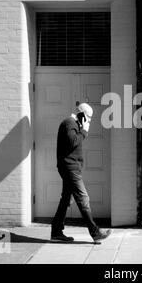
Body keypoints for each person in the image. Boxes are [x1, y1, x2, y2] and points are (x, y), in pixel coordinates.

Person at [51, 102, 111, 242]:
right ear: (82, 115)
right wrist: (84, 130)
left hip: (71, 167)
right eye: (88, 117)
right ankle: (95, 232)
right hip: (69, 167)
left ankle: (56, 231)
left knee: (66, 199)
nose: (89, 120)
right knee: (83, 198)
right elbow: (73, 142)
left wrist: (82, 130)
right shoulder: (69, 123)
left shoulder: (73, 124)